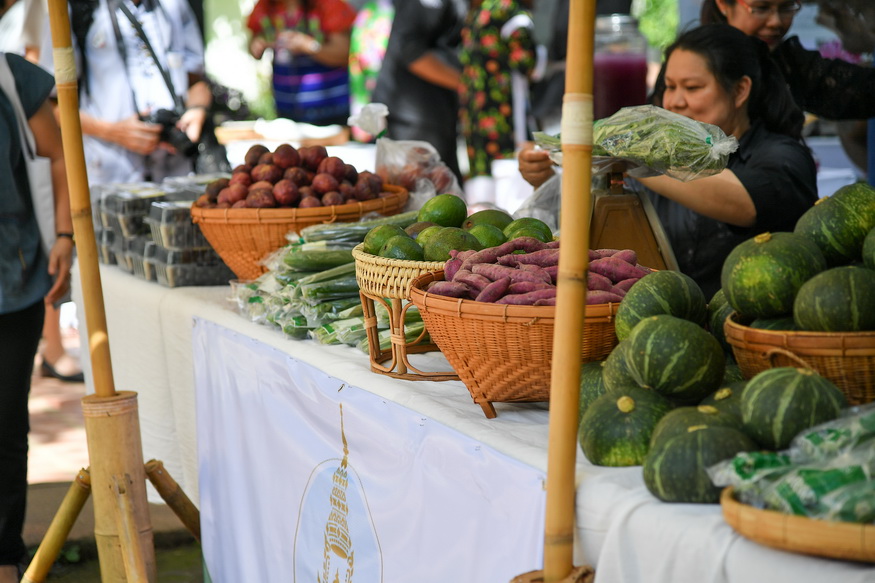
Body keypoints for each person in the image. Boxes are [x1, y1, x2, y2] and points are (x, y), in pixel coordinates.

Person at [519, 24, 818, 298]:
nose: (675, 101)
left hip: (742, 322)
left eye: (692, 88)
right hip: (659, 318)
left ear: (740, 91)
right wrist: (547, 176)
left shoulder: (784, 156)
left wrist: (629, 157)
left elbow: (745, 202)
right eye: (670, 87)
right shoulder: (654, 160)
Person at [0, 51, 74, 583]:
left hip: (13, 279)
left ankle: (5, 557)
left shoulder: (13, 79)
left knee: (5, 423)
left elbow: (58, 156)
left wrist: (64, 234)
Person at [39, 0, 212, 186]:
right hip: (111, 175)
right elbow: (50, 106)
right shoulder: (71, 9)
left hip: (177, 173)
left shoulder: (174, 5)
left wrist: (196, 111)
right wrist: (112, 131)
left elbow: (197, 82)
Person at [371, 0, 466, 183]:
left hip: (438, 111)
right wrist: (466, 84)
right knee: (423, 186)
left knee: (446, 185)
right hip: (415, 117)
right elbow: (411, 51)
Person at [458, 0, 539, 184]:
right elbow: (525, 63)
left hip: (474, 113)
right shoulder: (512, 11)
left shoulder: (479, 12)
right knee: (511, 170)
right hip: (505, 111)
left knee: (482, 171)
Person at [246, 0, 357, 127]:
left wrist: (309, 45)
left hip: (332, 111)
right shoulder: (266, 5)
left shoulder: (329, 4)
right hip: (286, 110)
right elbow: (253, 45)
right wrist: (258, 44)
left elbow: (344, 54)